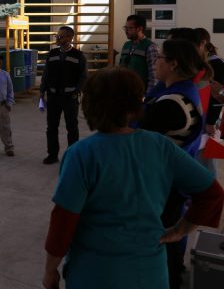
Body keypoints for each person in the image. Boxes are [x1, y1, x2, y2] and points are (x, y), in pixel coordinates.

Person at [42, 67, 224, 289]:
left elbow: (63, 221)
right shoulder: (160, 146)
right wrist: (180, 231)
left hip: (96, 274)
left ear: (91, 104)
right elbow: (212, 193)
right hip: (151, 274)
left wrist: (50, 270)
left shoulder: (81, 154)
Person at [140, 38, 210, 289]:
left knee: (163, 244)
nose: (155, 63)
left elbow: (134, 135)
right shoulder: (181, 90)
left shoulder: (172, 103)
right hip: (173, 180)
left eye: (160, 58)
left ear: (173, 64)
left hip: (164, 185)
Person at [39, 26, 88, 164]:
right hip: (53, 96)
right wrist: (42, 91)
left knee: (72, 127)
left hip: (70, 97)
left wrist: (77, 91)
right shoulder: (52, 53)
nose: (58, 39)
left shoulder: (78, 56)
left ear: (70, 38)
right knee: (51, 127)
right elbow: (46, 74)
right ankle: (52, 155)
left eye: (60, 37)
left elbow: (83, 77)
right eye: (57, 36)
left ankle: (72, 156)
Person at [118, 14, 159, 96]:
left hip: (140, 94)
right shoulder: (126, 45)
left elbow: (154, 77)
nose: (126, 31)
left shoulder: (150, 47)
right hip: (124, 92)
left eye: (130, 28)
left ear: (140, 29)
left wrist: (148, 97)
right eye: (125, 28)